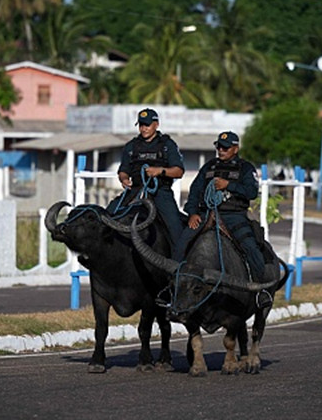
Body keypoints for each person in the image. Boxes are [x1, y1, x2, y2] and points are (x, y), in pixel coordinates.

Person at [173, 131, 270, 307]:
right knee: (181, 242)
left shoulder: (246, 168)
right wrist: (192, 213)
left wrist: (229, 185)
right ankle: (173, 288)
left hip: (234, 216)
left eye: (225, 147)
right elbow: (195, 191)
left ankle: (260, 291)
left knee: (250, 247)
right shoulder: (208, 167)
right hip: (205, 214)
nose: (221, 150)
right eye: (218, 146)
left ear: (235, 148)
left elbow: (252, 192)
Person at [108, 108, 185, 243]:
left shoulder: (167, 145)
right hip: (135, 190)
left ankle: (179, 260)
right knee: (109, 215)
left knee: (175, 226)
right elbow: (123, 170)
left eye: (147, 125)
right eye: (141, 125)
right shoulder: (131, 146)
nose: (144, 129)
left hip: (160, 192)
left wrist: (160, 171)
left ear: (156, 125)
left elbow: (179, 171)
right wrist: (124, 179)